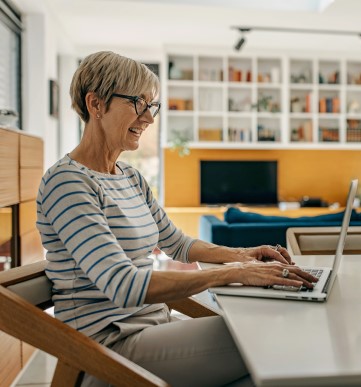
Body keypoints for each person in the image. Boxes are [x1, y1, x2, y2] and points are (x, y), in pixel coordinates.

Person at [36, 51, 317, 387]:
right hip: (110, 348)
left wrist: (243, 254)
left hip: (156, 327)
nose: (149, 118)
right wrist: (233, 273)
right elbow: (123, 284)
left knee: (270, 345)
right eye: (138, 103)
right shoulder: (67, 183)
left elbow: (177, 244)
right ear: (95, 104)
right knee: (268, 335)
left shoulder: (131, 177)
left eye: (151, 105)